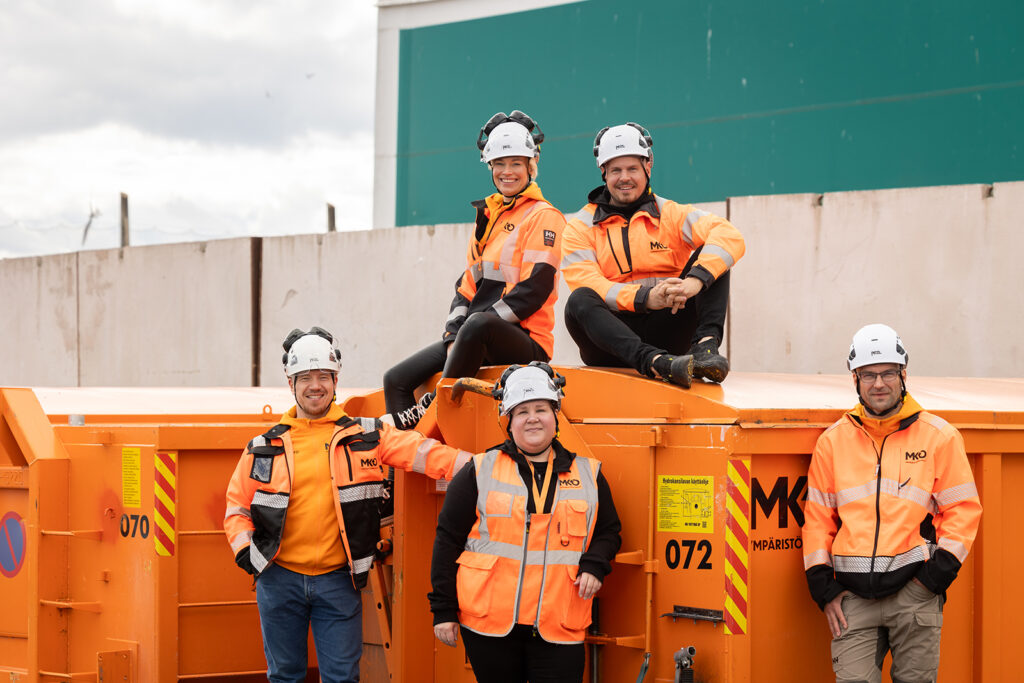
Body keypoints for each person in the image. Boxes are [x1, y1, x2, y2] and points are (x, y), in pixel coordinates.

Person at [225, 327, 473, 683]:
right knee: (284, 676)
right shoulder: (265, 446)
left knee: (342, 678)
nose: (315, 385)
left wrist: (482, 466)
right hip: (279, 581)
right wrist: (249, 556)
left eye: (323, 376)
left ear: (336, 380)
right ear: (291, 382)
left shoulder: (366, 435)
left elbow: (423, 453)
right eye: (306, 378)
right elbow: (236, 507)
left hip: (338, 582)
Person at [802, 324, 982, 683]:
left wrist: (932, 580)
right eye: (868, 375)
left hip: (915, 595)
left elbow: (963, 511)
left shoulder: (939, 437)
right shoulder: (832, 442)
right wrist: (825, 590)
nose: (878, 383)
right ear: (855, 379)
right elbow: (818, 519)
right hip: (852, 600)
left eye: (887, 373)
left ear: (903, 375)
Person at [429, 362, 622, 683]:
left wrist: (595, 564)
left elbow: (609, 531)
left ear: (555, 415)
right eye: (522, 412)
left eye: (541, 409)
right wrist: (443, 610)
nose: (532, 418)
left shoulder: (590, 475)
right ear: (509, 421)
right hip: (490, 624)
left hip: (558, 622)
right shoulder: (478, 471)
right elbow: (447, 540)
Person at [383, 110, 565, 429]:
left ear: (530, 167)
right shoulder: (487, 216)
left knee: (479, 323)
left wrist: (471, 330)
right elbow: (467, 285)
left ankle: (434, 409)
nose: (507, 172)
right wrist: (455, 334)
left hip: (525, 340)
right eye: (499, 164)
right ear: (490, 167)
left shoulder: (544, 216)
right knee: (395, 379)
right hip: (475, 334)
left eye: (516, 164)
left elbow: (534, 290)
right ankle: (403, 460)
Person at [560, 122, 745, 387]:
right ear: (603, 173)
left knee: (716, 256)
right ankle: (656, 362)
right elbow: (588, 283)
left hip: (669, 328)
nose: (625, 177)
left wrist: (693, 283)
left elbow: (729, 234)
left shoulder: (671, 213)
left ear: (648, 167)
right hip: (611, 343)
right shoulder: (579, 226)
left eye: (632, 168)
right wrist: (646, 298)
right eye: (616, 170)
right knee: (578, 300)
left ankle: (705, 349)